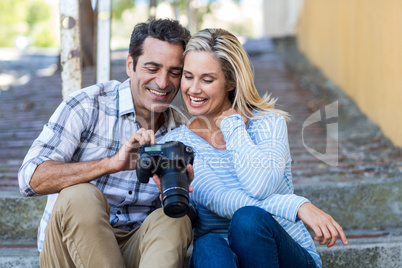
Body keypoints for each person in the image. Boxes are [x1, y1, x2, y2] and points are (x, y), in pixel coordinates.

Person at [159, 28, 348, 268]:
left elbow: (261, 185)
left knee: (248, 221)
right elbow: (223, 201)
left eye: (207, 79)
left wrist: (232, 125)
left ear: (231, 82)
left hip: (286, 257)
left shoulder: (268, 122)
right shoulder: (177, 144)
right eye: (188, 76)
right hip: (222, 259)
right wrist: (297, 205)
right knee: (208, 245)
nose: (193, 89)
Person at [18, 18, 193, 268]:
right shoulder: (88, 105)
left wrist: (185, 191)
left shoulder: (182, 132)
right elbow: (30, 178)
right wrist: (112, 164)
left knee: (176, 218)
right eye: (152, 68)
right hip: (70, 250)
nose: (163, 83)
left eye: (174, 72)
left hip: (137, 247)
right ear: (130, 65)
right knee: (80, 195)